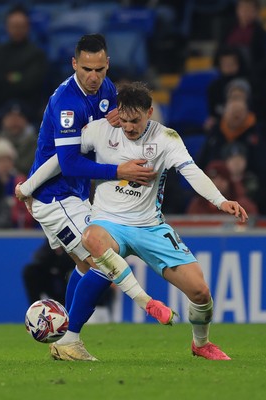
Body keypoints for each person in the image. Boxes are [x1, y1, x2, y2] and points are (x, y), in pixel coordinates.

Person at [19, 82, 248, 360]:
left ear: (149, 112)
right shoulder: (100, 131)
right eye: (124, 120)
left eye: (135, 121)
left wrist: (221, 201)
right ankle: (71, 338)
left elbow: (192, 172)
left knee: (200, 292)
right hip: (108, 223)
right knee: (92, 241)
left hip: (150, 226)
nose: (128, 127)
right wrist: (28, 186)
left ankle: (201, 344)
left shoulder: (167, 138)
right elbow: (62, 159)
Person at [15, 34, 173, 360]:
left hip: (73, 194)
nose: (94, 76)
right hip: (56, 196)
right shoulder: (66, 102)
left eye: (100, 68)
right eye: (87, 68)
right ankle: (71, 338)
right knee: (103, 258)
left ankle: (66, 338)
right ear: (74, 63)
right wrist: (120, 172)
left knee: (88, 267)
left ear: (107, 64)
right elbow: (70, 161)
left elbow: (107, 139)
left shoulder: (107, 91)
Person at [0, 4, 48, 136]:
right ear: (7, 27)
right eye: (14, 26)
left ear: (28, 27)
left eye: (21, 26)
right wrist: (10, 78)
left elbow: (30, 84)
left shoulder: (37, 54)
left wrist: (1, 79)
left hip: (27, 109)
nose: (17, 30)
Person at [186, 159, 258, 216]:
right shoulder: (197, 205)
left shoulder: (242, 205)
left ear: (229, 182)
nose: (218, 183)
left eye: (222, 179)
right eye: (213, 179)